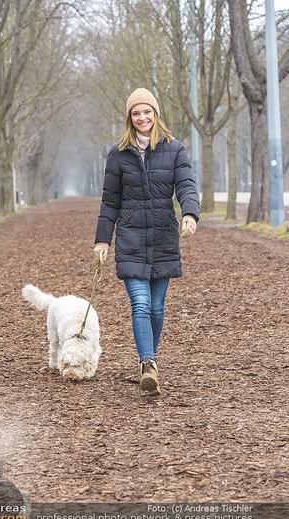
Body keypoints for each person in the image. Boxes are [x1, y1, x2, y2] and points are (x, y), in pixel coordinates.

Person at [94, 88, 200, 396]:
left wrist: (190, 214)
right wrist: (103, 240)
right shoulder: (117, 154)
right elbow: (110, 200)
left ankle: (149, 360)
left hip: (164, 236)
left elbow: (186, 185)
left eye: (147, 112)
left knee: (156, 307)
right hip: (130, 238)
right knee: (139, 303)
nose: (142, 117)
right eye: (136, 113)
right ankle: (147, 363)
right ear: (130, 118)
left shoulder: (175, 149)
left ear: (155, 114)